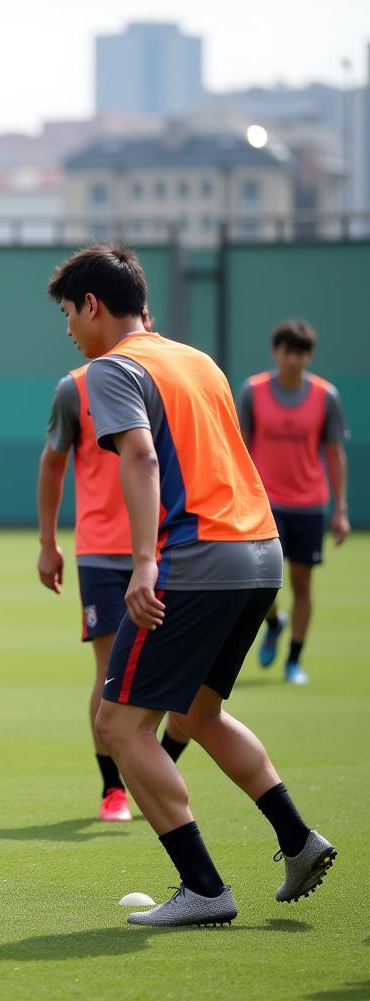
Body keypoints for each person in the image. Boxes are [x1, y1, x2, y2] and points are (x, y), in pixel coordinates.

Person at [47, 244, 336, 927]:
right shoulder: (196, 360)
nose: (68, 329)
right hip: (259, 553)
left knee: (118, 724)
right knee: (196, 715)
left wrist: (144, 563)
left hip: (198, 560)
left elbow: (142, 457)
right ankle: (298, 841)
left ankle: (203, 887)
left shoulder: (111, 369)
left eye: (67, 313)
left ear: (93, 306)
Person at [38, 307, 189, 824]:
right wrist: (47, 541)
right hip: (102, 553)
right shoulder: (74, 389)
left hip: (174, 547)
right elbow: (53, 464)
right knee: (110, 674)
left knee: (189, 680)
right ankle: (113, 791)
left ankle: (157, 765)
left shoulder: (173, 377)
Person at [236, 320, 350, 685]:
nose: (293, 359)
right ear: (276, 352)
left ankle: (294, 660)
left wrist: (341, 510)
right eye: (287, 350)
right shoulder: (253, 391)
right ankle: (273, 623)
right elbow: (239, 446)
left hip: (309, 503)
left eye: (300, 352)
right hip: (264, 503)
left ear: (308, 355)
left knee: (302, 584)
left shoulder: (325, 396)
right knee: (262, 582)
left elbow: (334, 453)